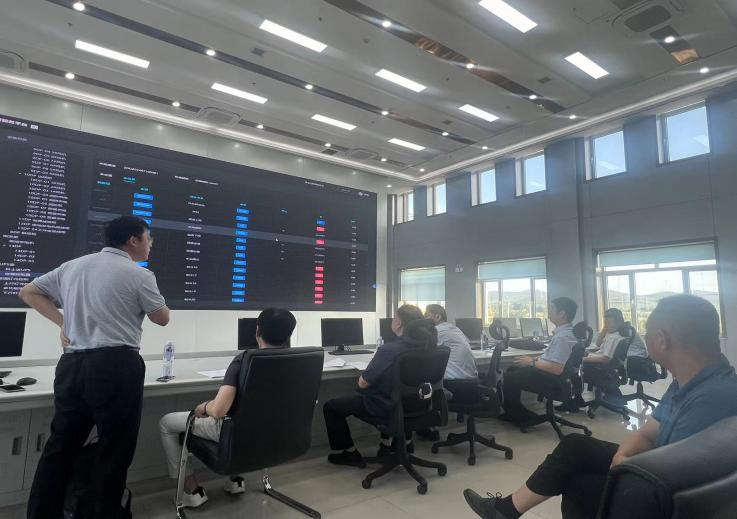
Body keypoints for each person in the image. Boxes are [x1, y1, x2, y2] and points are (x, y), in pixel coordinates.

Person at [463, 294, 737, 519]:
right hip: (652, 466)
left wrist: (627, 467)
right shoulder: (688, 381)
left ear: (662, 340)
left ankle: (505, 510)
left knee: (577, 482)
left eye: (647, 333)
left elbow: (671, 480)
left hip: (658, 490)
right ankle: (504, 510)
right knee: (575, 445)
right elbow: (648, 433)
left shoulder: (713, 399)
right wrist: (622, 456)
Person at [20, 215, 170, 519]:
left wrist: (64, 323)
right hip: (116, 366)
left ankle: (40, 514)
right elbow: (162, 318)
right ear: (133, 240)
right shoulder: (140, 274)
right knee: (114, 450)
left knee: (60, 447)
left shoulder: (72, 267)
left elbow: (28, 292)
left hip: (72, 365)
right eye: (148, 238)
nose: (150, 244)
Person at [159, 308, 296, 508]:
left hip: (235, 432)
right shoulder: (300, 360)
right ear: (289, 333)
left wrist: (203, 406)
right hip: (275, 432)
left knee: (167, 422)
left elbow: (218, 411)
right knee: (244, 416)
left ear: (257, 331)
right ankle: (236, 480)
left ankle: (191, 491)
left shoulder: (245, 360)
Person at [323, 304, 436, 466]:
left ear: (398, 323)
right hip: (418, 405)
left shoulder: (389, 350)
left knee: (332, 407)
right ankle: (403, 443)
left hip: (386, 407)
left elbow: (363, 383)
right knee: (394, 393)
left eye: (394, 318)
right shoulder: (428, 347)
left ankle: (349, 453)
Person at [500, 297, 578, 425]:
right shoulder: (567, 333)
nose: (549, 311)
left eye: (551, 309)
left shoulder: (562, 337)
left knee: (509, 377)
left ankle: (518, 415)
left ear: (562, 314)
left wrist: (531, 362)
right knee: (513, 369)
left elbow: (557, 369)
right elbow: (554, 357)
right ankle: (514, 411)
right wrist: (535, 359)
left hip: (555, 382)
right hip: (562, 380)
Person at [419, 304, 479, 440]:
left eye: (426, 316)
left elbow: (420, 349)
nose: (424, 319)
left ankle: (429, 427)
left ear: (437, 316)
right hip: (471, 383)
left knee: (421, 381)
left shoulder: (437, 331)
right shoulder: (455, 329)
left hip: (455, 385)